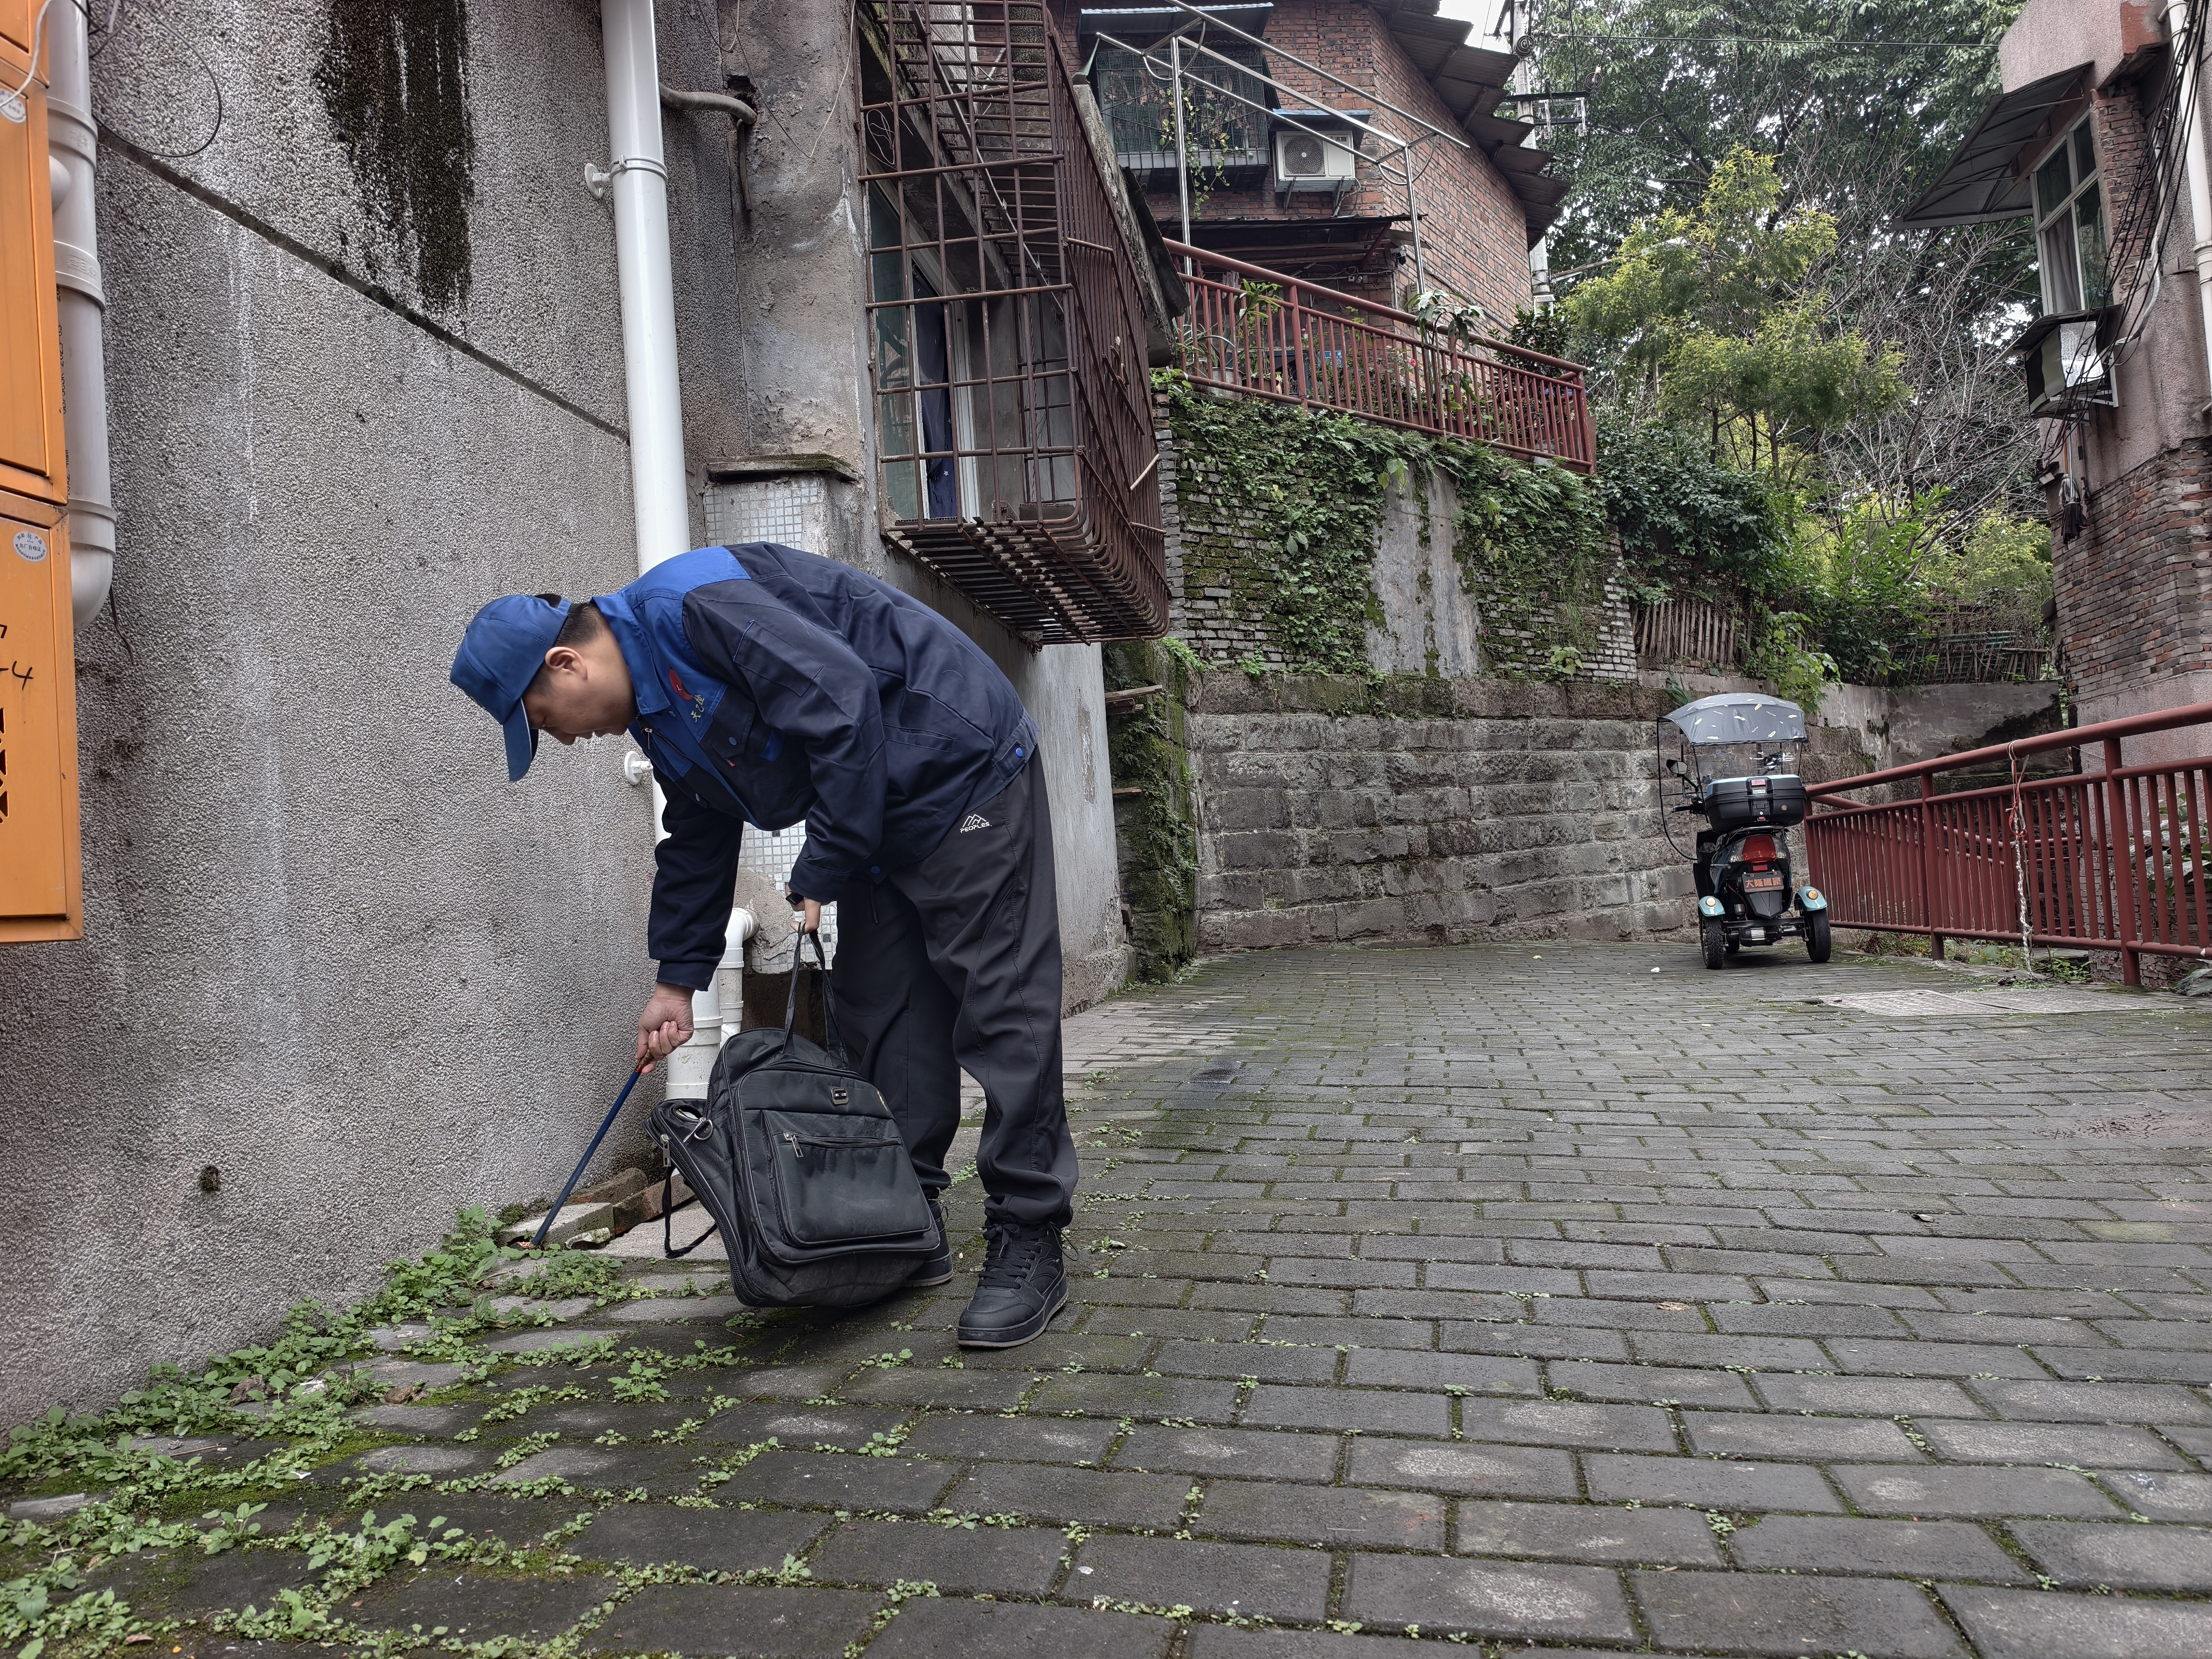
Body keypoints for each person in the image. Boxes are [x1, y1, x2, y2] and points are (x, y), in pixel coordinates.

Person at [449, 543, 1075, 1348]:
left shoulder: (695, 608)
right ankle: (905, 1222)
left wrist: (820, 869)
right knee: (885, 1014)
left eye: (541, 721)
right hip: (877, 811)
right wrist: (676, 984)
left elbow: (845, 702)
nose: (562, 742)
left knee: (1001, 1011)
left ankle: (1030, 1234)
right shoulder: (656, 708)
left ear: (565, 664)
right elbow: (699, 835)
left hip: (959, 769)